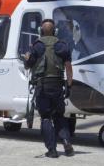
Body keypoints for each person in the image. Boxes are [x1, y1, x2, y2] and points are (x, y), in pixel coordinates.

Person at [24, 19, 74, 158]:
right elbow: (69, 68)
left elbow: (28, 65)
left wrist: (27, 58)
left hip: (43, 85)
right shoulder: (61, 45)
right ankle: (66, 142)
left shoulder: (37, 46)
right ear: (55, 31)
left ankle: (52, 150)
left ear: (40, 31)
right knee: (59, 116)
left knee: (46, 118)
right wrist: (69, 85)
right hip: (57, 85)